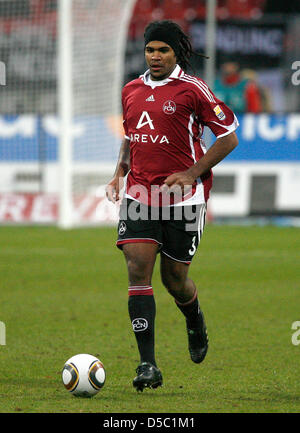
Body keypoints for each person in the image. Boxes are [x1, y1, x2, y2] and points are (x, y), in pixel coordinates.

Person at [106, 20, 239, 392]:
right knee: (137, 269)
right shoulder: (131, 89)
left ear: (176, 53)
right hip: (140, 195)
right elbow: (132, 136)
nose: (155, 56)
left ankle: (194, 317)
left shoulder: (193, 89)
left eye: (163, 50)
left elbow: (228, 138)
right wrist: (119, 173)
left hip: (183, 200)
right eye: (151, 49)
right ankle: (147, 364)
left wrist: (192, 172)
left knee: (174, 281)